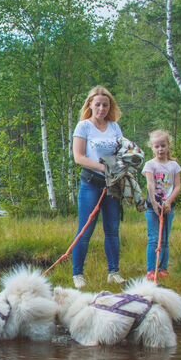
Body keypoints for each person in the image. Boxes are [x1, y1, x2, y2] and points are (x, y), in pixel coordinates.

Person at [71, 86, 125, 289]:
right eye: (98, 104)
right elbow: (79, 158)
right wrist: (104, 167)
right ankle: (78, 274)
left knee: (112, 229)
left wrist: (124, 165)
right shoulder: (83, 126)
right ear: (90, 105)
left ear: (110, 106)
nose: (102, 108)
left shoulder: (114, 127)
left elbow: (122, 151)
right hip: (91, 184)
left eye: (105, 104)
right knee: (85, 230)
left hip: (113, 185)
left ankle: (114, 272)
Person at [142, 129, 181, 280]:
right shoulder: (149, 165)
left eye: (163, 146)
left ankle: (163, 268)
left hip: (168, 207)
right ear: (152, 147)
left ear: (168, 146)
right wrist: (155, 203)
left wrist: (168, 202)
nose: (160, 149)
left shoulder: (174, 166)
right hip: (153, 208)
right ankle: (151, 270)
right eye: (157, 146)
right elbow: (150, 185)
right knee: (154, 238)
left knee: (165, 238)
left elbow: (178, 186)